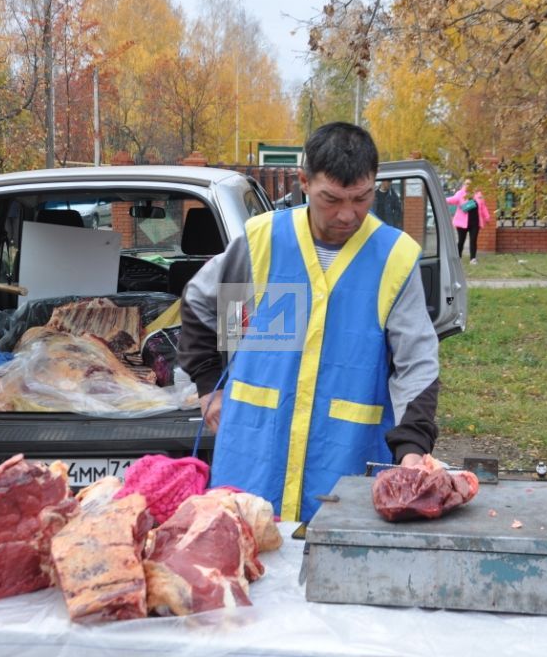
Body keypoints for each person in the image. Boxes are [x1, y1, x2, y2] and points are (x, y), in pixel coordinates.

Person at [177, 122, 441, 522]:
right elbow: (203, 303)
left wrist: (411, 450)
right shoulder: (264, 239)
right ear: (303, 182)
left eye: (362, 197)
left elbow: (416, 364)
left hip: (346, 460)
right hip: (253, 457)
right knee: (245, 564)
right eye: (331, 199)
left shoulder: (395, 257)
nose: (348, 214)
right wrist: (210, 384)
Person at [447, 178, 491, 264]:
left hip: (475, 222)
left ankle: (473, 258)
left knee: (473, 240)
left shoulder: (478, 194)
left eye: (470, 184)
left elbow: (483, 207)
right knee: (461, 240)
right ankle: (458, 257)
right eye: (467, 184)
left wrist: (487, 217)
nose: (468, 186)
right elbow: (453, 199)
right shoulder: (460, 193)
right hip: (462, 222)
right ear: (464, 184)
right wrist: (442, 199)